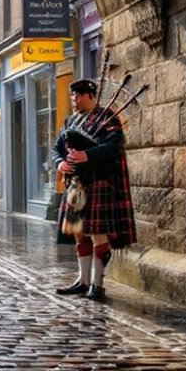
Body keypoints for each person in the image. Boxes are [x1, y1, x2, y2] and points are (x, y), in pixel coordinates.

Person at [51, 78, 137, 300]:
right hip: (76, 184)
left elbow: (114, 147)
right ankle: (83, 281)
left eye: (77, 96)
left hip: (99, 181)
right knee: (79, 233)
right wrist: (60, 163)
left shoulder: (108, 118)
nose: (74, 100)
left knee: (98, 234)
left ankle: (98, 284)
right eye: (72, 96)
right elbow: (57, 148)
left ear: (90, 96)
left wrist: (86, 155)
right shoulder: (71, 121)